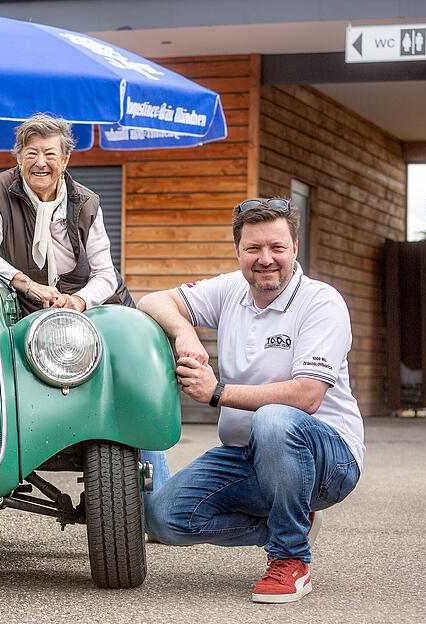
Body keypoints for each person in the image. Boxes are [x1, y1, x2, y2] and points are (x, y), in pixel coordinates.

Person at [137, 198, 365, 604]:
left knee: (276, 418)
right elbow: (153, 300)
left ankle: (290, 558)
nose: (265, 259)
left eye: (277, 248)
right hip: (245, 457)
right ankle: (289, 521)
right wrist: (185, 333)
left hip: (328, 462)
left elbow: (308, 396)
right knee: (164, 517)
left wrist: (217, 393)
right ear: (238, 251)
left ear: (295, 249)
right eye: (253, 249)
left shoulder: (321, 302)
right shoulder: (230, 290)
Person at [0, 112, 170, 490]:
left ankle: (155, 489)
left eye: (49, 153)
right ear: (18, 158)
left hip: (94, 303)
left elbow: (106, 274)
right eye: (30, 153)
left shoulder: (86, 201)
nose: (40, 162)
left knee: (132, 374)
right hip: (31, 303)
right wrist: (28, 285)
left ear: (66, 159)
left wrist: (79, 302)